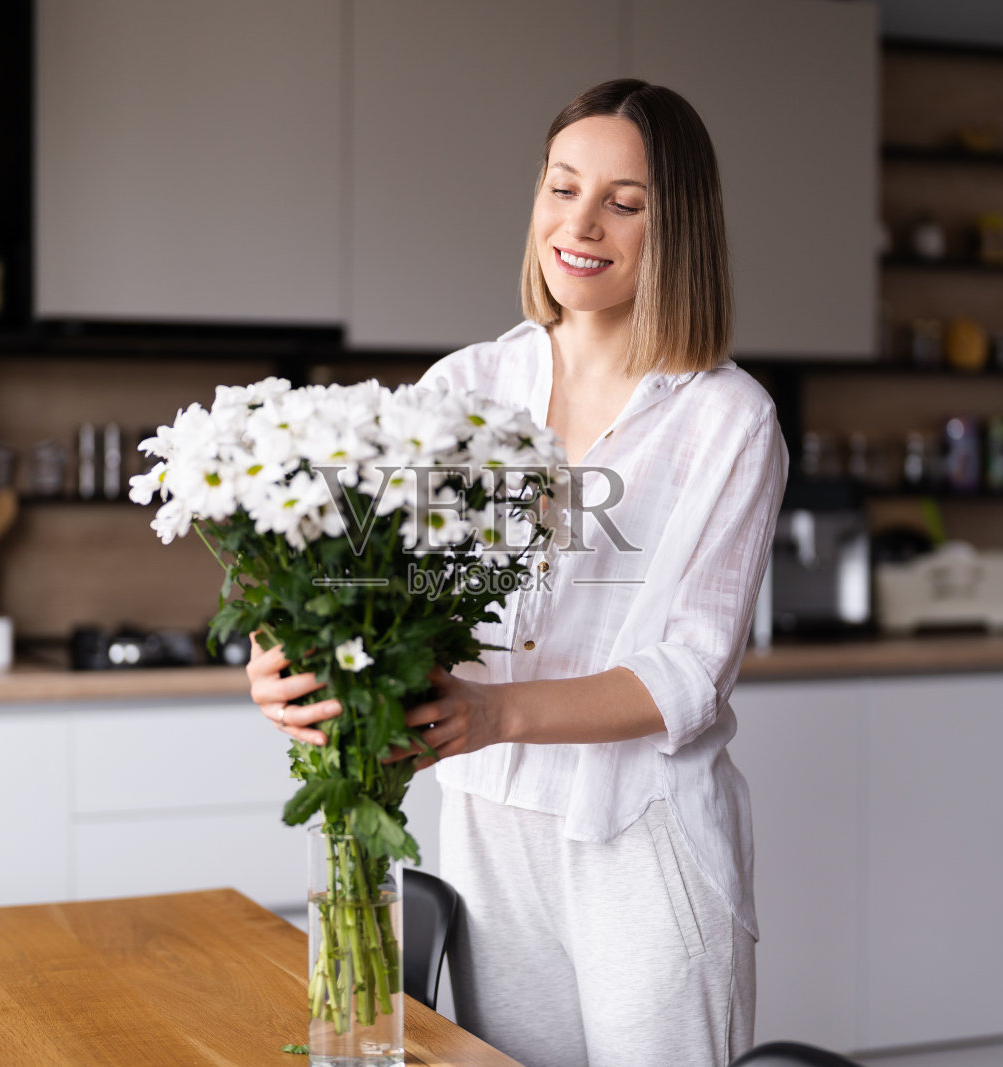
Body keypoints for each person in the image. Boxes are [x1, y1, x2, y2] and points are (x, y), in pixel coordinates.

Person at [246, 78, 787, 1067]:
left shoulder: (728, 419)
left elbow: (690, 674)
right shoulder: (466, 387)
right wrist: (282, 650)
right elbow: (364, 578)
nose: (580, 224)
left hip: (642, 840)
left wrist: (496, 711)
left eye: (625, 203)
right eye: (561, 188)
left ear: (678, 229)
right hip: (487, 835)